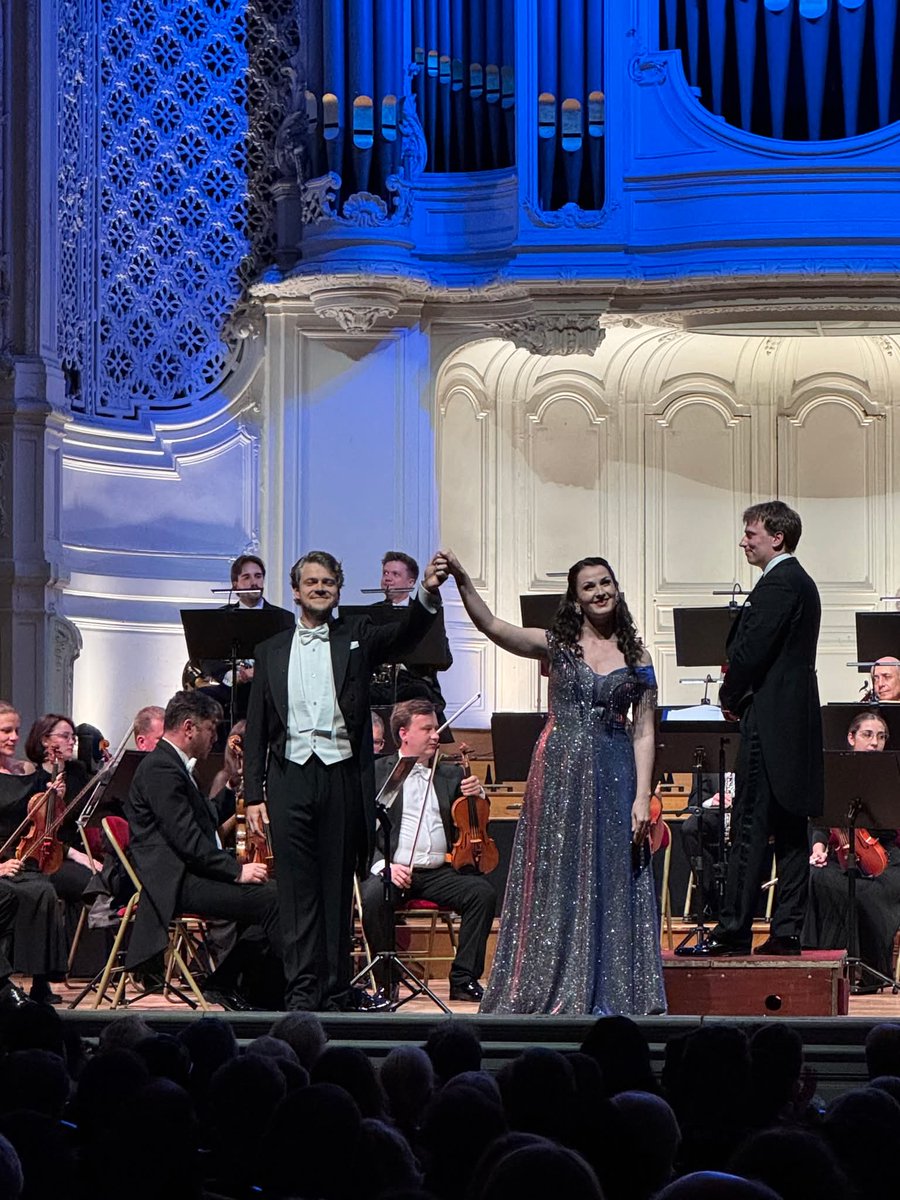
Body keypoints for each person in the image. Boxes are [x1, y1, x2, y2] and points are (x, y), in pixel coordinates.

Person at [437, 550, 665, 1015]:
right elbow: (493, 627)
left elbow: (643, 728)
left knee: (612, 870)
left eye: (606, 583)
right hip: (559, 769)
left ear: (616, 589)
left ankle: (616, 988)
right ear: (576, 599)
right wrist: (461, 580)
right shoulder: (555, 645)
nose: (600, 592)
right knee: (558, 871)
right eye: (589, 587)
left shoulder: (638, 656)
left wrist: (642, 795)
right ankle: (550, 982)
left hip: (615, 767)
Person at [244, 549, 448, 1012]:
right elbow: (257, 729)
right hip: (289, 778)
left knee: (337, 888)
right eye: (311, 582)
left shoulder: (355, 635)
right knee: (297, 892)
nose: (319, 588)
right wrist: (253, 793)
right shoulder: (270, 651)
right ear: (295, 591)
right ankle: (301, 992)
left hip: (340, 776)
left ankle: (335, 990)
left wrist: (427, 593)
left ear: (338, 589)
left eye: (328, 582)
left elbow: (406, 633)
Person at [708, 500, 823, 957]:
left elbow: (751, 651)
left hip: (769, 722)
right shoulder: (801, 583)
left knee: (752, 825)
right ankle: (786, 932)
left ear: (777, 537)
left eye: (750, 533)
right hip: (794, 722)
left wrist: (729, 696)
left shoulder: (778, 584)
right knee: (792, 829)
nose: (743, 541)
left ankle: (734, 929)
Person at [124, 689, 283, 1010]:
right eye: (211, 728)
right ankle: (261, 991)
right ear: (188, 728)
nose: (216, 737)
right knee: (275, 901)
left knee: (279, 894)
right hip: (175, 882)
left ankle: (235, 984)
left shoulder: (175, 765)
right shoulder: (161, 768)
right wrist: (237, 871)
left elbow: (202, 827)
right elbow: (186, 839)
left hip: (191, 873)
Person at [359, 699, 495, 1002]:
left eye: (436, 728)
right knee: (373, 896)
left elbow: (473, 816)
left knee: (481, 893)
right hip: (392, 871)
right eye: (428, 729)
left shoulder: (449, 774)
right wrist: (384, 867)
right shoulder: (377, 772)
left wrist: (479, 793)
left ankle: (463, 978)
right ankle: (386, 983)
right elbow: (361, 831)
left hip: (438, 873)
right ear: (404, 733)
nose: (436, 735)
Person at [803, 711, 900, 979]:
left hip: (889, 860)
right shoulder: (835, 772)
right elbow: (821, 821)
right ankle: (823, 965)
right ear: (850, 737)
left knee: (864, 893)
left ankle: (870, 972)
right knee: (818, 876)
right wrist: (819, 849)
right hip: (845, 856)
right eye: (867, 735)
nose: (874, 743)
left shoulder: (893, 773)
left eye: (880, 737)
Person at [0, 703, 70, 1003]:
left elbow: (48, 822)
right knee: (13, 893)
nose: (14, 737)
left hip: (24, 856)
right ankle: (5, 983)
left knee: (44, 891)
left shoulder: (29, 772)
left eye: (17, 730)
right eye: (6, 730)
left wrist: (56, 798)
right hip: (2, 862)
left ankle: (42, 982)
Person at [193, 554, 294, 721]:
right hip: (232, 687)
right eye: (246, 577)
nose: (254, 582)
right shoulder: (220, 617)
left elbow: (288, 659)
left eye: (258, 576)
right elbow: (207, 657)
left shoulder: (282, 618)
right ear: (235, 584)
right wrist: (232, 676)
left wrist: (258, 672)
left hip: (267, 688)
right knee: (198, 700)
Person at [369, 552, 453, 710]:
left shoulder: (426, 613)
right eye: (385, 573)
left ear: (411, 582)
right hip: (381, 690)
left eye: (395, 574)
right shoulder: (371, 615)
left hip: (417, 690)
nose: (387, 578)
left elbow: (445, 660)